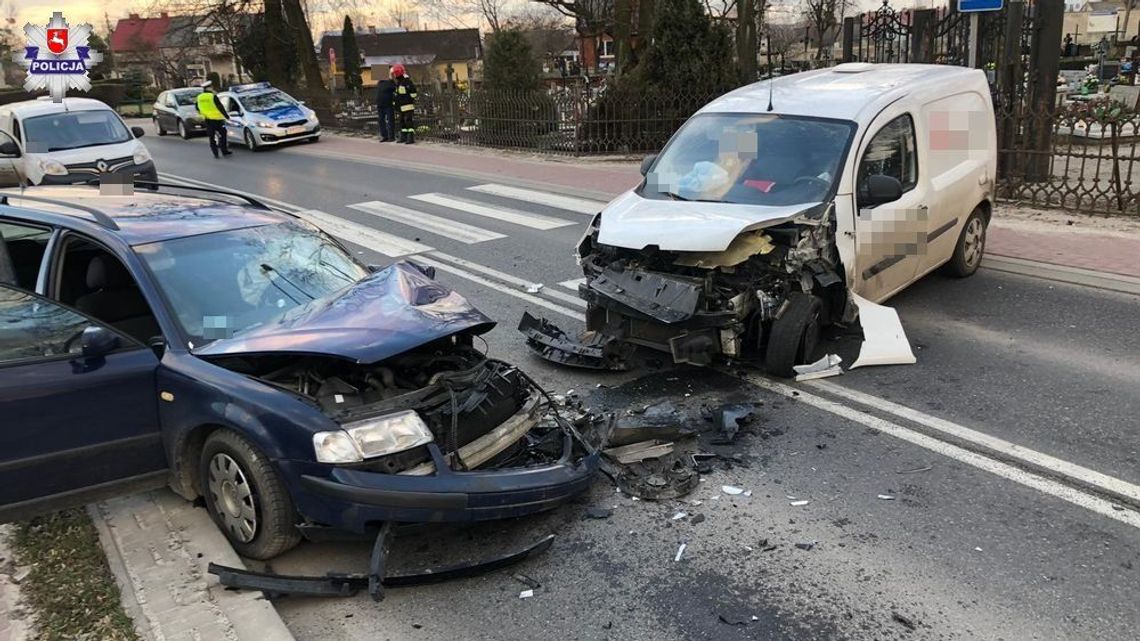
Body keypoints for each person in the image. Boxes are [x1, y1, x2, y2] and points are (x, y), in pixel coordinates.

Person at [196, 82, 231, 158]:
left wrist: (203, 114)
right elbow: (220, 106)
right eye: (211, 87)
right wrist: (226, 116)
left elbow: (197, 108)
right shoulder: (212, 96)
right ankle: (224, 150)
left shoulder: (199, 97)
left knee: (211, 137)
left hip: (207, 119)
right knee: (223, 134)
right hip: (217, 119)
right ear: (208, 88)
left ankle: (215, 153)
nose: (212, 88)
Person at [391, 63, 417, 144]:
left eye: (395, 73)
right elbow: (397, 94)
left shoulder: (407, 81)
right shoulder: (399, 82)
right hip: (401, 106)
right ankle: (404, 136)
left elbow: (413, 93)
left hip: (407, 106)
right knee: (402, 122)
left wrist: (406, 98)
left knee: (408, 122)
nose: (394, 75)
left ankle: (410, 137)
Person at [376, 70, 396, 142]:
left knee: (390, 121)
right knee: (381, 121)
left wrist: (391, 79)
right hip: (380, 105)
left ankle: (391, 136)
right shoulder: (379, 83)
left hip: (388, 104)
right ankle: (384, 136)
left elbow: (394, 89)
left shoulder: (390, 82)